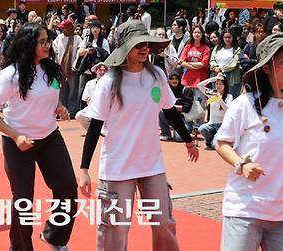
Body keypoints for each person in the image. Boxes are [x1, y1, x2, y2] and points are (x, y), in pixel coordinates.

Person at [78, 20, 199, 251]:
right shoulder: (109, 83)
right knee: (117, 226)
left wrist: (188, 140)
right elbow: (95, 126)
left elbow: (170, 112)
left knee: (164, 221)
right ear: (124, 48)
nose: (144, 48)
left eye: (146, 43)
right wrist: (84, 169)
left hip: (151, 165)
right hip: (118, 168)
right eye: (137, 44)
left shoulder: (158, 76)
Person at [215, 33, 283, 251]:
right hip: (244, 209)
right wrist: (242, 165)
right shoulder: (244, 104)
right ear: (267, 67)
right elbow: (222, 143)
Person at [0, 22, 78, 251]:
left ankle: (54, 236)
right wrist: (16, 137)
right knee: (23, 200)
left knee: (67, 188)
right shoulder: (10, 75)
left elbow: (51, 95)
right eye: (43, 42)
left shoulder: (51, 69)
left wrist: (59, 107)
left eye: (48, 40)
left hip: (49, 137)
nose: (48, 45)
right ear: (29, 44)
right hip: (18, 142)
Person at [53, 19, 82, 116]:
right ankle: (62, 111)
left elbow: (79, 53)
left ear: (69, 28)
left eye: (64, 28)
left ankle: (72, 111)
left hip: (72, 68)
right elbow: (54, 52)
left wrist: (75, 65)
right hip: (60, 68)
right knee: (61, 91)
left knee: (73, 91)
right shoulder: (59, 38)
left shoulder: (77, 38)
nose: (63, 30)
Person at [197, 75, 232, 149]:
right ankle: (210, 140)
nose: (218, 86)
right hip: (212, 124)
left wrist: (220, 100)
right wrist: (214, 78)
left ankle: (216, 140)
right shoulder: (211, 93)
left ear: (225, 85)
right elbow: (199, 85)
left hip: (222, 126)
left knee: (214, 146)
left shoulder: (229, 96)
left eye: (221, 84)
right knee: (201, 129)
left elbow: (228, 109)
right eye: (217, 83)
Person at [179, 25, 211, 106]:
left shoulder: (206, 48)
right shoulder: (188, 47)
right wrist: (193, 65)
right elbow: (181, 62)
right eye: (195, 32)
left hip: (200, 81)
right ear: (192, 34)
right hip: (187, 80)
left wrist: (188, 64)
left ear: (202, 34)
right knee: (187, 105)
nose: (196, 34)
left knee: (199, 106)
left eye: (199, 32)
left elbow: (203, 64)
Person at [210, 27, 242, 97]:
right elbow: (212, 60)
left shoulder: (237, 49)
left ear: (233, 37)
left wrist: (221, 69)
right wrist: (215, 67)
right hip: (217, 76)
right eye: (225, 37)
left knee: (230, 98)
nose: (227, 39)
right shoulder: (217, 48)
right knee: (216, 98)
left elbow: (234, 63)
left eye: (229, 37)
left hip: (231, 79)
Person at [75, 62, 107, 131]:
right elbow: (86, 99)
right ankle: (93, 132)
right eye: (100, 70)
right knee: (79, 116)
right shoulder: (89, 83)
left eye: (104, 70)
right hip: (93, 109)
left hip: (107, 110)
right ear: (96, 71)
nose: (102, 72)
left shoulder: (111, 83)